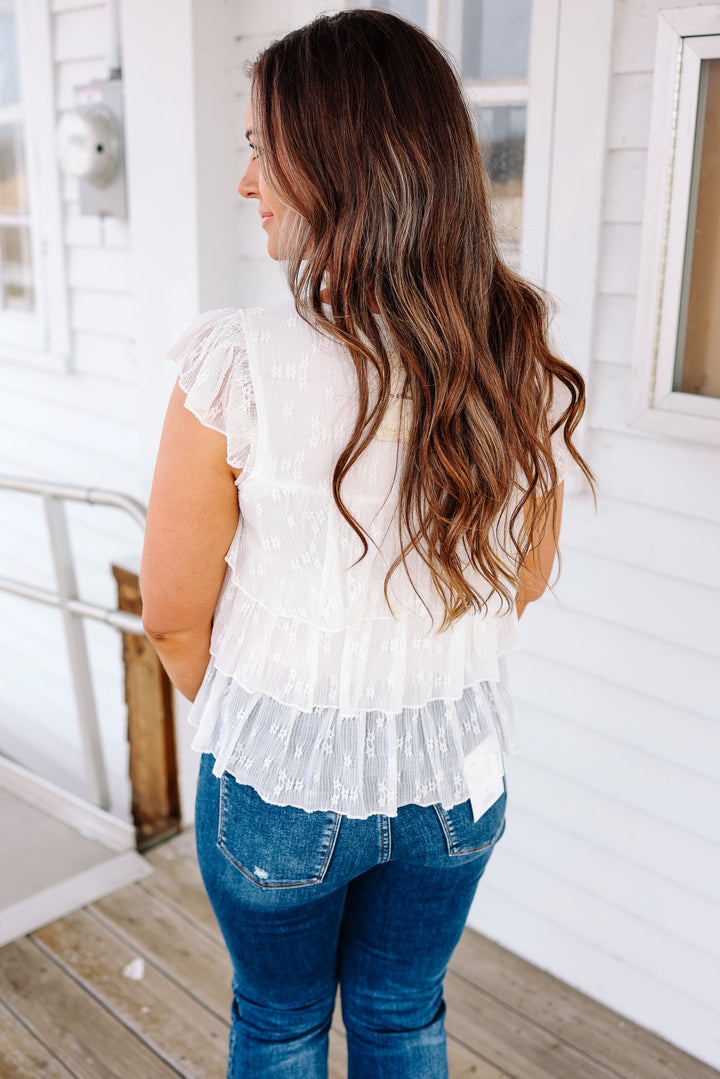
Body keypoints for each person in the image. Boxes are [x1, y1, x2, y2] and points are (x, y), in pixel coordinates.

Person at [140, 10, 594, 1079]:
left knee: (281, 1023)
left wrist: (278, 721)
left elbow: (170, 613)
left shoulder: (239, 362)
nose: (246, 182)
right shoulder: (514, 351)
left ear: (340, 162)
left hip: (278, 784)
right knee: (400, 1014)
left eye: (263, 150)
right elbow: (525, 576)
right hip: (456, 771)